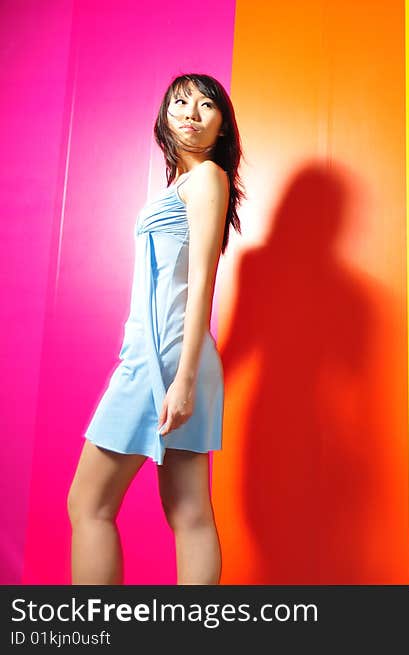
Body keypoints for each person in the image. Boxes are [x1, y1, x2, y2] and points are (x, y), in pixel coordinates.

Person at [66, 74, 244, 585]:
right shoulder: (186, 184)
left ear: (222, 125)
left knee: (89, 504)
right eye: (181, 101)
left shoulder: (208, 177)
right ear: (165, 117)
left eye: (207, 104)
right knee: (188, 513)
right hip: (171, 355)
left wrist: (182, 378)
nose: (192, 111)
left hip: (165, 358)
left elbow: (203, 279)